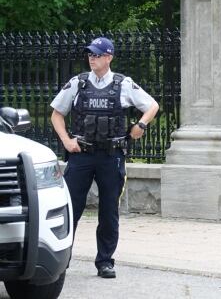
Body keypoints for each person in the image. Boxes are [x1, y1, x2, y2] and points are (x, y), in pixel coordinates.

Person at [50, 37, 159, 279]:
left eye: (97, 54)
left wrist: (141, 125)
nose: (92, 58)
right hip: (81, 156)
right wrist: (67, 141)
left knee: (109, 212)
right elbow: (56, 114)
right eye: (90, 54)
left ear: (109, 57)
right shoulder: (77, 83)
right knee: (70, 210)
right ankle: (62, 261)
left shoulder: (123, 84)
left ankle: (105, 262)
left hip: (111, 157)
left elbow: (152, 106)